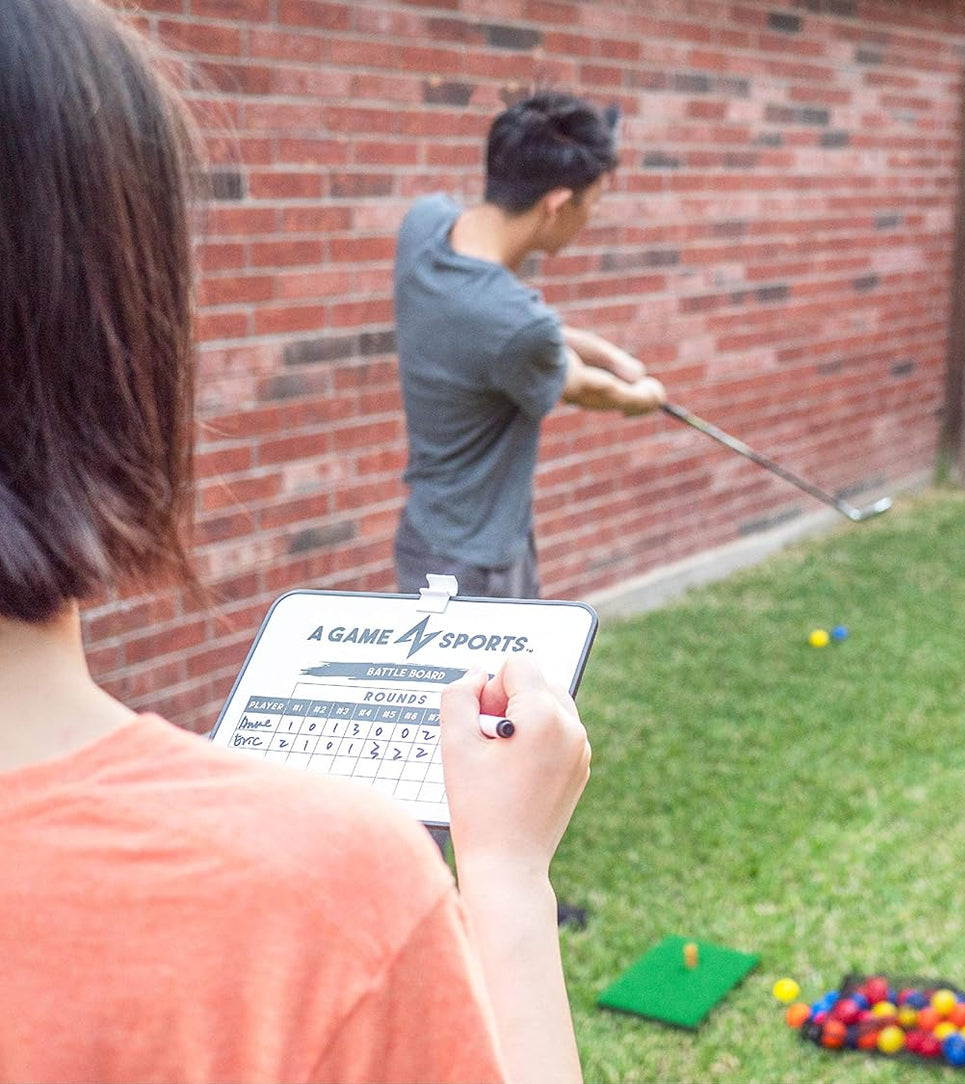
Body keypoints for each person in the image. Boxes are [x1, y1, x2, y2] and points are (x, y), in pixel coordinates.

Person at [0, 2, 589, 1081]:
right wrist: (505, 877)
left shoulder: (429, 238)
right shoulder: (322, 890)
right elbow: (556, 361)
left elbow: (533, 326)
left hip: (428, 535)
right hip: (480, 548)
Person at [392, 91, 667, 601]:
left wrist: (610, 353)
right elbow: (586, 389)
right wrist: (643, 397)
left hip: (427, 537)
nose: (591, 218)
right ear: (557, 204)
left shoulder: (424, 224)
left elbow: (500, 328)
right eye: (593, 203)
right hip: (478, 563)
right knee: (503, 684)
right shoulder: (518, 328)